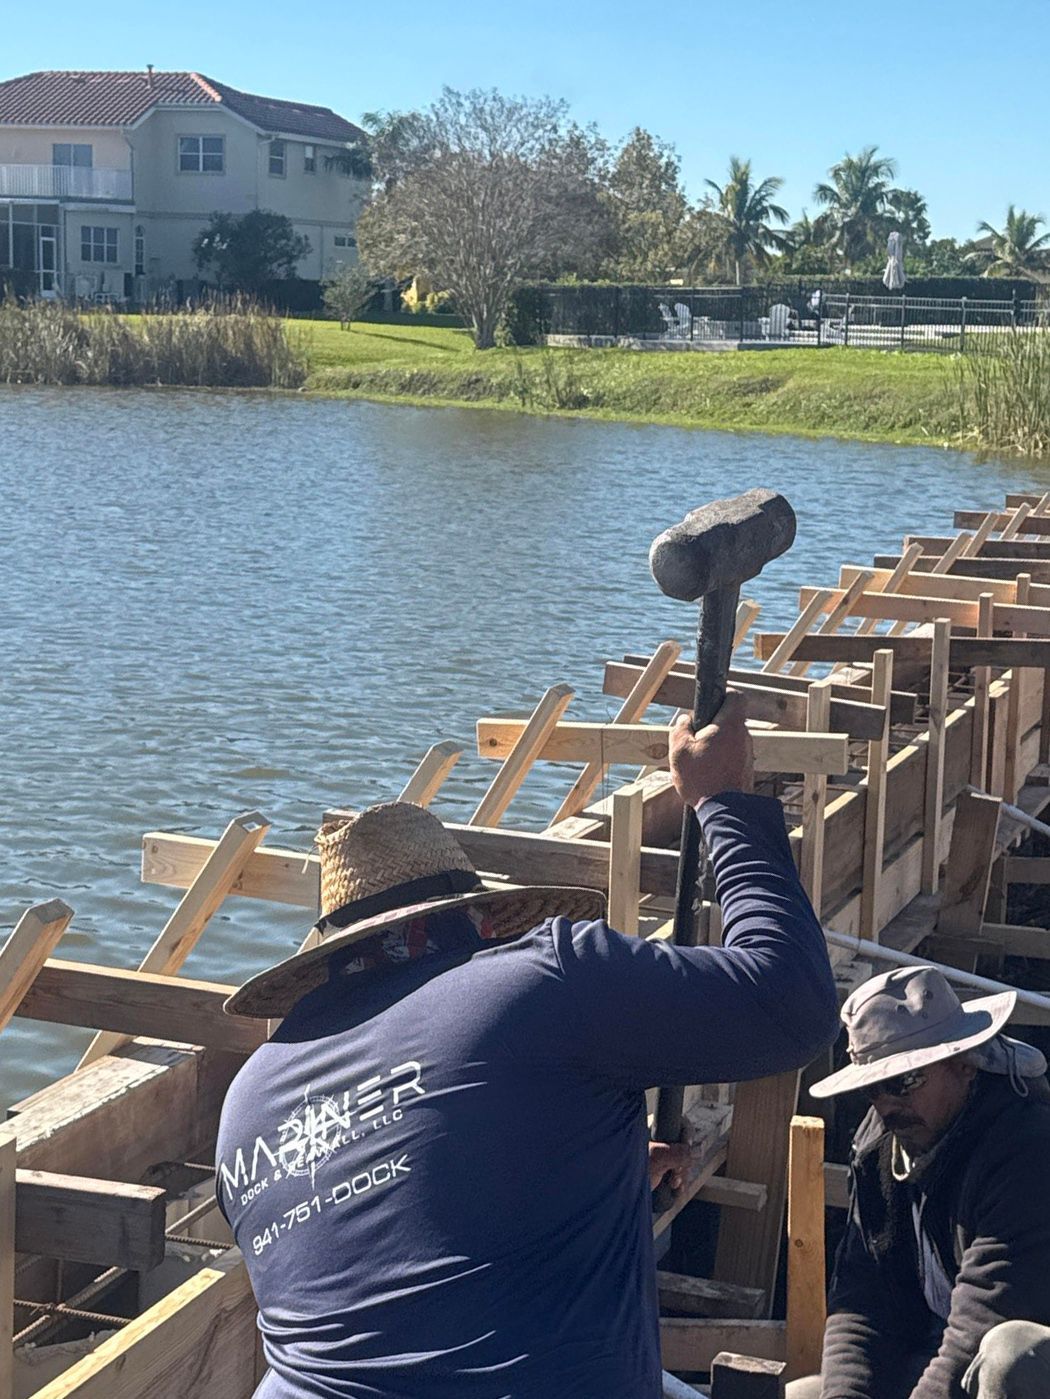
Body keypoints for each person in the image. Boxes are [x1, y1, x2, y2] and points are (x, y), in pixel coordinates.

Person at [216, 695, 839, 1398]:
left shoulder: (248, 1101)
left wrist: (578, 1155)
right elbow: (790, 1000)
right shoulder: (536, 978)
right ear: (479, 919)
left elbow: (392, 1228)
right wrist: (723, 799)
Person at [787, 966, 1050, 1399]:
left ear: (965, 1064)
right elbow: (862, 1300)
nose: (887, 1104)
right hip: (941, 1351)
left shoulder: (1027, 1147)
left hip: (1018, 1361)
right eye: (872, 1088)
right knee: (804, 1394)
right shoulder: (878, 1148)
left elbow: (986, 1315)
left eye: (903, 1081)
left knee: (1008, 1356)